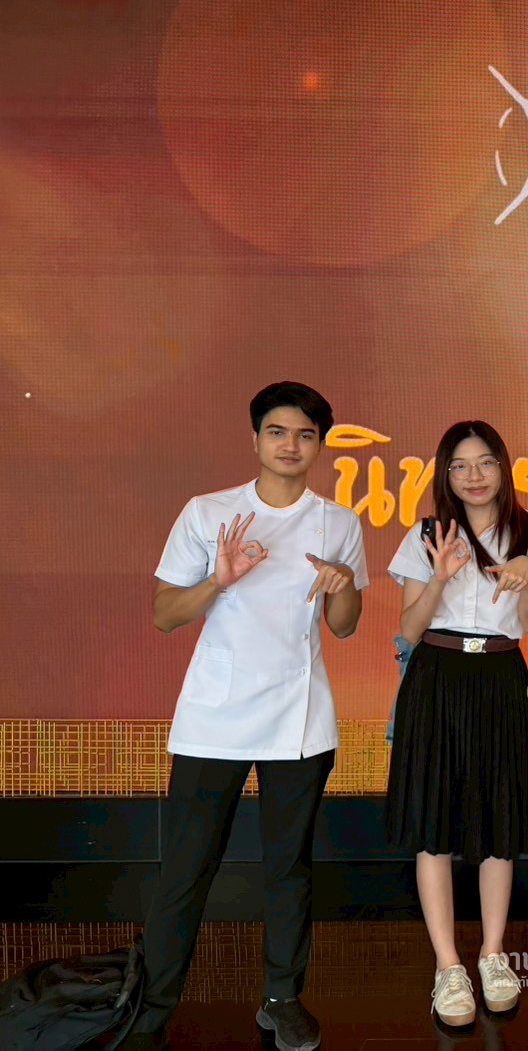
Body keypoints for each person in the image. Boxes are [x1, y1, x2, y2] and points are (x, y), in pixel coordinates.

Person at [130, 382, 367, 1051]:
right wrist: (220, 579)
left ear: (319, 445)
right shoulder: (209, 512)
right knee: (185, 870)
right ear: (255, 438)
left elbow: (345, 627)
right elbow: (164, 614)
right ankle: (152, 1007)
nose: (291, 445)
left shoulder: (338, 523)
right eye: (277, 432)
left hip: (300, 718)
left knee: (288, 870)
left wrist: (343, 587)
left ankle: (282, 999)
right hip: (215, 716)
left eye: (305, 435)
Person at [385, 421, 528, 1026]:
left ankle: (492, 954)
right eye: (460, 466)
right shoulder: (427, 534)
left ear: (503, 467)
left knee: (497, 816)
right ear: (446, 474)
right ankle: (447, 966)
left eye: (485, 462)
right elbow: (409, 629)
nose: (474, 476)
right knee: (434, 822)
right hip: (436, 672)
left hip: (498, 673)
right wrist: (440, 574)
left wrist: (527, 573)